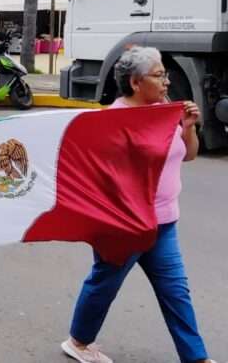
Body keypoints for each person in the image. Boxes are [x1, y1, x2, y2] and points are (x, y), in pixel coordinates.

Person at [61, 47, 215, 363]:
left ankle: (196, 357)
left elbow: (188, 155)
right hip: (126, 224)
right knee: (104, 285)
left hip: (164, 223)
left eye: (165, 75)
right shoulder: (112, 120)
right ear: (135, 82)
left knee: (176, 291)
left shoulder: (165, 113)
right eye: (159, 75)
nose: (167, 82)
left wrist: (187, 127)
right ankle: (78, 342)